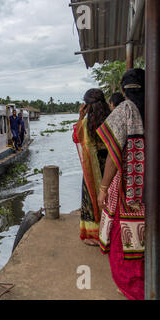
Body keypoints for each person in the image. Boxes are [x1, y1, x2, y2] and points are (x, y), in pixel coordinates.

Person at [96, 68, 145, 300]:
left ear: (124, 91)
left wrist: (104, 188)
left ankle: (132, 288)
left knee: (123, 239)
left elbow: (113, 157)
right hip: (151, 183)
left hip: (131, 186)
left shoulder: (126, 109)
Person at [73, 88, 111, 246]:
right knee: (110, 197)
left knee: (91, 198)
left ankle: (94, 235)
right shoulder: (111, 119)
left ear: (87, 105)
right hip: (110, 165)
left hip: (92, 168)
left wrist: (81, 116)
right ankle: (110, 233)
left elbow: (76, 137)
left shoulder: (86, 123)